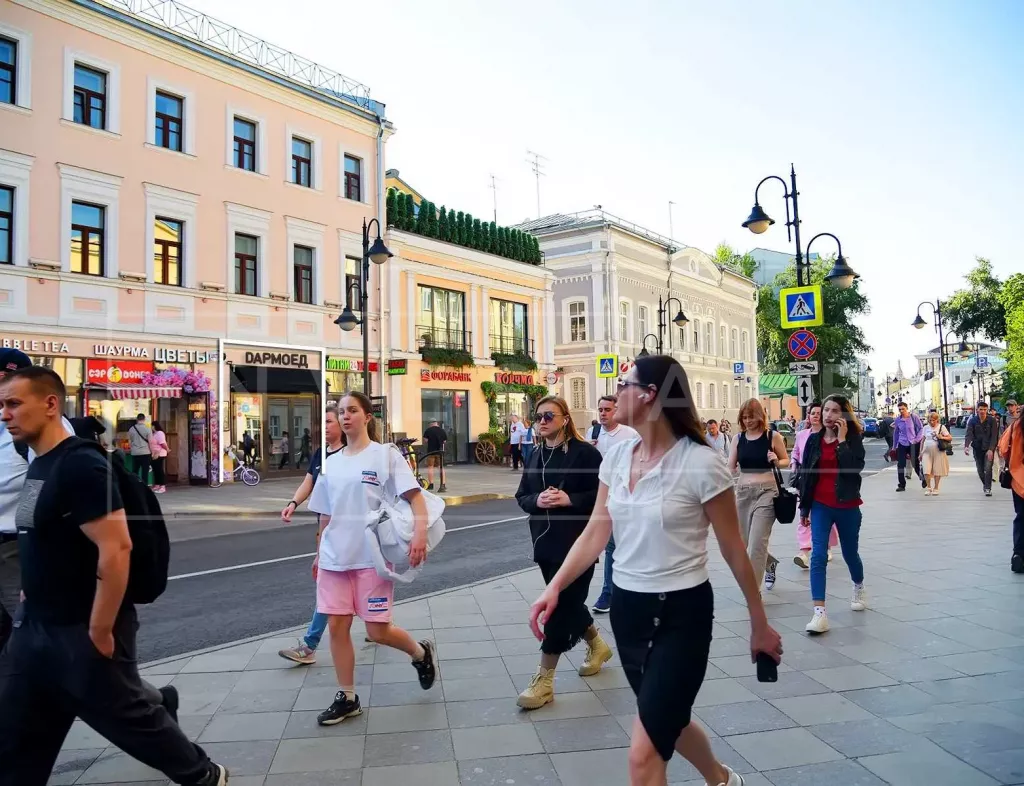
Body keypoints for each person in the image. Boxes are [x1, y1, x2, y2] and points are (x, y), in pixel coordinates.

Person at [529, 356, 781, 786]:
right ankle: (721, 779)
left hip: (681, 614)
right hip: (629, 612)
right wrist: (553, 588)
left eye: (623, 385)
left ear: (649, 395)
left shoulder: (700, 463)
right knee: (668, 720)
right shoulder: (616, 457)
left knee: (643, 756)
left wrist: (759, 622)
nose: (614, 394)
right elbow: (595, 533)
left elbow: (734, 549)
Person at [0, 366, 228, 786]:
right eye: (2, 405)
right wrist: (29, 591)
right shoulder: (37, 464)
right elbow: (36, 535)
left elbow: (116, 548)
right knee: (15, 741)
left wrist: (101, 630)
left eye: (13, 403)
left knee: (130, 719)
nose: (4, 414)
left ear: (50, 404)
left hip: (80, 628)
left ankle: (203, 774)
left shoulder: (81, 466)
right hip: (33, 629)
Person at [308, 391, 436, 725]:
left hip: (371, 558)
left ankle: (420, 653)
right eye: (341, 411)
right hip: (335, 557)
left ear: (367, 416)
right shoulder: (331, 462)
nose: (345, 416)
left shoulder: (385, 455)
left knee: (378, 631)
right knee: (337, 626)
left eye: (352, 410)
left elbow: (416, 498)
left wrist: (420, 534)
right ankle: (347, 697)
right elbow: (325, 514)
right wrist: (319, 553)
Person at [514, 396, 609, 709]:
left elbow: (601, 496)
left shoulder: (586, 454)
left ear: (565, 419)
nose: (542, 422)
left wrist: (570, 499)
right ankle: (597, 645)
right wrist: (537, 501)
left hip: (578, 543)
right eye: (538, 416)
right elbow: (522, 496)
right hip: (545, 544)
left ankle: (544, 680)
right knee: (569, 602)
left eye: (549, 416)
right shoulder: (534, 453)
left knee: (557, 608)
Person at [796, 394, 867, 634]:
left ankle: (858, 585)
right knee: (817, 555)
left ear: (844, 415)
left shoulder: (853, 439)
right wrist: (804, 508)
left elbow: (854, 469)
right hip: (820, 505)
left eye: (835, 411)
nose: (828, 415)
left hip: (847, 505)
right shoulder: (813, 440)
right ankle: (819, 614)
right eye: (826, 410)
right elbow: (806, 476)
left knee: (850, 554)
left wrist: (842, 440)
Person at [278, 406, 344, 665]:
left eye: (329, 421)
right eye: (322, 422)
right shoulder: (321, 454)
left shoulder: (349, 455)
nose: (323, 426)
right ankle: (380, 624)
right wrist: (293, 503)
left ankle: (309, 645)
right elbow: (309, 482)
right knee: (334, 588)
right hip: (325, 530)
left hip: (345, 533)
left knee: (328, 589)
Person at [729, 398, 789, 591]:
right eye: (744, 417)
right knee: (744, 543)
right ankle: (769, 564)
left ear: (760, 416)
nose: (747, 421)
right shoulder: (738, 439)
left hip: (767, 493)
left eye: (751, 417)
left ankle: (753, 593)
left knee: (757, 544)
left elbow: (786, 460)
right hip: (743, 494)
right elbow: (730, 466)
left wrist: (777, 460)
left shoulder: (772, 436)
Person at [592, 394, 640, 614]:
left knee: (624, 546)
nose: (603, 413)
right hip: (603, 497)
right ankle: (609, 593)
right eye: (600, 409)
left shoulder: (629, 434)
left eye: (607, 409)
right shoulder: (593, 433)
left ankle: (620, 592)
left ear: (616, 411)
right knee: (610, 546)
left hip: (626, 498)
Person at [790, 402, 837, 569]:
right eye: (812, 413)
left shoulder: (830, 435)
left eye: (819, 413)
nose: (815, 416)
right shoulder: (802, 435)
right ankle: (803, 552)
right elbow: (796, 452)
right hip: (805, 480)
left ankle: (827, 546)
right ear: (808, 416)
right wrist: (794, 464)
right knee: (804, 514)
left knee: (825, 516)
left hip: (825, 482)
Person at [998, 411, 1024, 573]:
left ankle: (1019, 555)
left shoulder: (1016, 426)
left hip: (1019, 479)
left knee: (1021, 517)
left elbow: (1003, 448)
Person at [965, 401, 1000, 497]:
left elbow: (994, 436)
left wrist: (991, 449)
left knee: (988, 468)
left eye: (985, 409)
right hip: (977, 448)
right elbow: (969, 434)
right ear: (977, 410)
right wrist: (966, 446)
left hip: (988, 448)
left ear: (987, 410)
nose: (983, 411)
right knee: (980, 470)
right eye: (981, 409)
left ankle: (988, 488)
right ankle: (986, 484)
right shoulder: (972, 421)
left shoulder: (992, 420)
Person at [892, 402, 924, 491]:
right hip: (902, 443)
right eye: (900, 409)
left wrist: (917, 439)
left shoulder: (913, 417)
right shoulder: (898, 420)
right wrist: (894, 446)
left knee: (915, 463)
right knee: (900, 464)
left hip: (912, 443)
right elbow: (896, 433)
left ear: (907, 408)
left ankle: (923, 478)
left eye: (903, 409)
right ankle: (901, 485)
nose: (901, 411)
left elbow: (921, 428)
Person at [921, 410, 952, 496]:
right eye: (930, 420)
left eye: (934, 420)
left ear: (937, 420)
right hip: (926, 451)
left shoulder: (941, 427)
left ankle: (936, 488)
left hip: (938, 451)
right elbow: (922, 441)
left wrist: (942, 437)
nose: (932, 422)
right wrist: (921, 452)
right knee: (926, 470)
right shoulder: (925, 428)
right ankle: (928, 487)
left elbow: (950, 438)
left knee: (937, 470)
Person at [422, 419, 448, 492]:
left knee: (430, 467)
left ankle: (431, 484)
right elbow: (444, 441)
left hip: (431, 452)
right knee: (441, 467)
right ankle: (443, 484)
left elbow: (425, 440)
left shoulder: (428, 430)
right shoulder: (442, 431)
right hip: (440, 452)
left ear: (431, 424)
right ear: (437, 423)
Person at [128, 413, 153, 485]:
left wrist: (132, 448)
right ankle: (145, 487)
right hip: (146, 453)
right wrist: (152, 452)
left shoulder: (131, 429)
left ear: (137, 419)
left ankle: (134, 486)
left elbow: (129, 442)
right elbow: (151, 442)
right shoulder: (148, 429)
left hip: (135, 453)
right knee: (145, 472)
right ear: (144, 419)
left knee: (135, 471)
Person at [148, 421, 169, 494]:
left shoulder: (160, 433)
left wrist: (167, 449)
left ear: (154, 426)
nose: (151, 427)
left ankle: (162, 486)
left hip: (160, 454)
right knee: (155, 469)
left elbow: (162, 443)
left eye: (151, 426)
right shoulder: (154, 434)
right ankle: (157, 485)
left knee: (159, 469)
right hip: (154, 454)